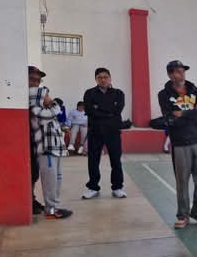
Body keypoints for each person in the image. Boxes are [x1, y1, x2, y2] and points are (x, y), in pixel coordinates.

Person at [158, 60, 197, 229]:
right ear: (170, 75)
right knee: (182, 181)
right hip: (180, 143)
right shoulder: (164, 94)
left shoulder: (194, 90)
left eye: (183, 71)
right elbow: (170, 119)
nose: (182, 74)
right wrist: (194, 112)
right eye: (178, 71)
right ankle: (183, 215)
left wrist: (184, 113)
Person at [29, 83, 73, 220]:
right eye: (46, 95)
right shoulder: (35, 109)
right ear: (39, 96)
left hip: (55, 150)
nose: (49, 97)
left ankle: (55, 206)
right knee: (50, 181)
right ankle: (51, 210)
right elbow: (53, 113)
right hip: (46, 151)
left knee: (57, 179)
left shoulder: (46, 110)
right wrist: (55, 104)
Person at [82, 68, 127, 199]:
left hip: (113, 132)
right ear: (96, 79)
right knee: (93, 161)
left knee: (116, 161)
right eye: (100, 77)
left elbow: (117, 110)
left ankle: (117, 187)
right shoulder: (89, 93)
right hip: (95, 131)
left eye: (105, 77)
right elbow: (90, 111)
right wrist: (108, 113)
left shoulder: (119, 93)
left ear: (110, 78)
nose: (103, 80)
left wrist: (99, 109)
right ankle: (93, 187)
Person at [28, 66, 46, 215]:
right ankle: (27, 200)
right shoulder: (20, 95)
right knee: (27, 172)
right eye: (32, 79)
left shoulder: (39, 96)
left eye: (38, 80)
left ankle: (31, 199)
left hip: (35, 139)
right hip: (22, 139)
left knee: (34, 172)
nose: (35, 83)